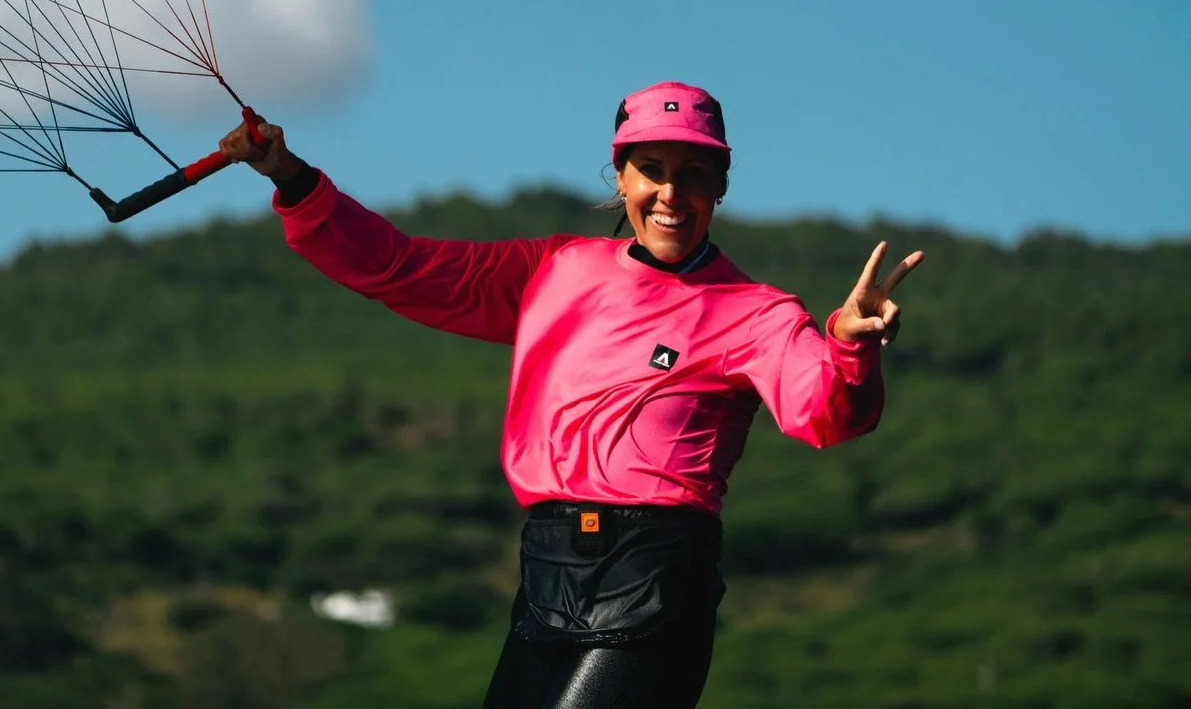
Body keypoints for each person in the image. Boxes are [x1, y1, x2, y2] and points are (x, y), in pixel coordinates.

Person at [219, 80, 924, 709]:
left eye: (693, 174)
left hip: (656, 582)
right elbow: (403, 268)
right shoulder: (555, 269)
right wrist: (290, 176)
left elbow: (827, 412)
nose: (670, 194)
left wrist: (849, 341)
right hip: (546, 578)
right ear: (620, 175)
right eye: (652, 171)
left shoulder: (756, 312)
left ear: (721, 184)